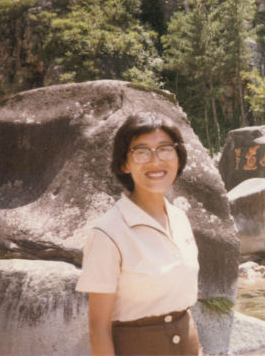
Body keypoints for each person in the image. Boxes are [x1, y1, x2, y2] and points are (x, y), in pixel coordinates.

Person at [76, 112, 201, 355]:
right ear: (125, 163)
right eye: (141, 152)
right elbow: (98, 328)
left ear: (178, 156)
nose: (155, 161)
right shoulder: (108, 232)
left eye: (165, 149)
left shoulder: (179, 218)